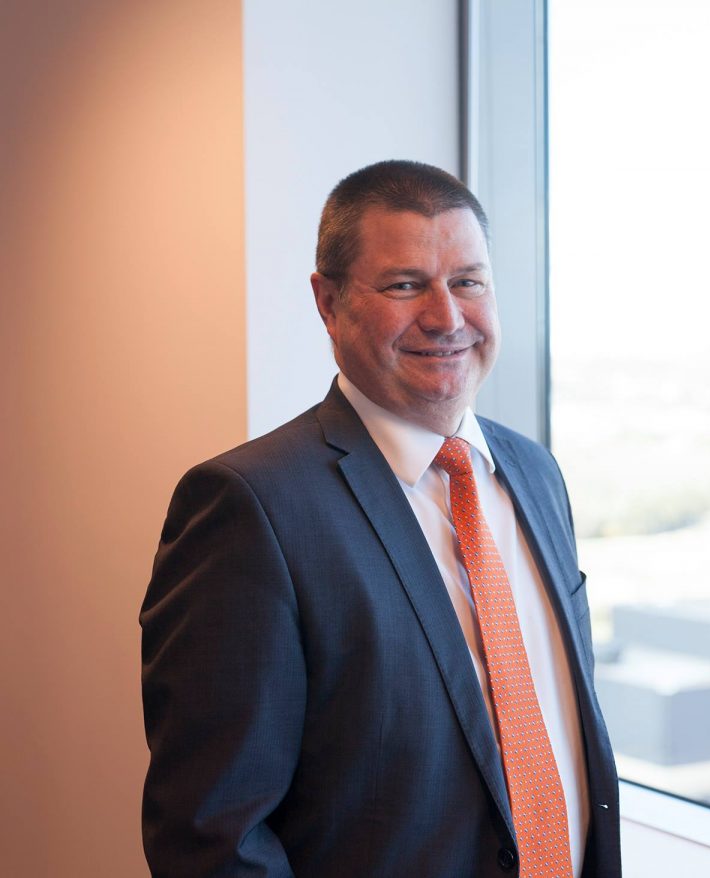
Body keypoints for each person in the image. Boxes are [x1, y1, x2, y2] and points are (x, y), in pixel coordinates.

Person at [140, 160, 621, 877]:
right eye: (405, 285)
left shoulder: (536, 476)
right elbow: (213, 838)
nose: (448, 317)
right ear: (328, 303)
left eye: (468, 281)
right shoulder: (250, 509)